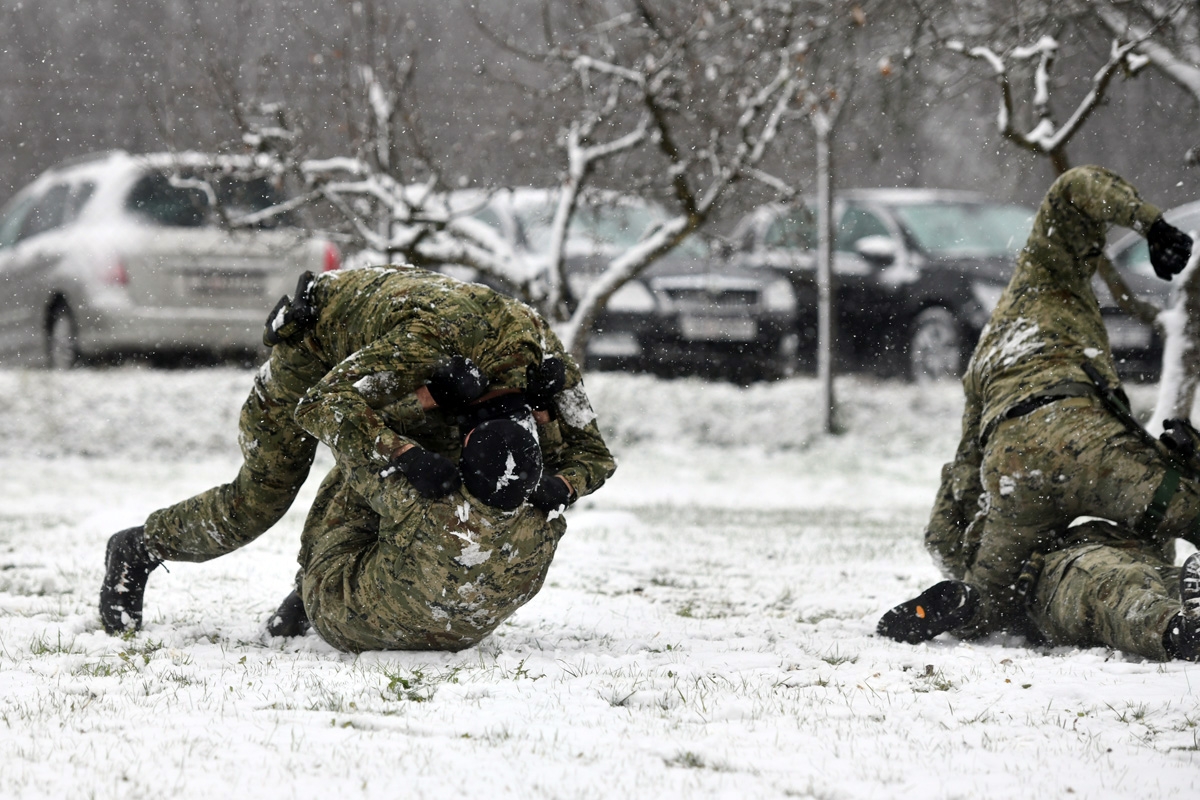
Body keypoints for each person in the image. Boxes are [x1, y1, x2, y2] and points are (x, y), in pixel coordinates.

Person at [99, 265, 616, 652]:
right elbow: (323, 404)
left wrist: (564, 484)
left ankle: (312, 590)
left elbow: (597, 454)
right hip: (317, 358)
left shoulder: (550, 366)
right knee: (260, 501)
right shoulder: (427, 346)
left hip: (412, 374)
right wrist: (407, 447)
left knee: (407, 469)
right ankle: (139, 549)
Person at [876, 165, 1200, 656]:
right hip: (1082, 435)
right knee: (1188, 510)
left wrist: (959, 544)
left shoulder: (983, 361)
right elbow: (1076, 187)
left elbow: (966, 466)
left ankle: (971, 606)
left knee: (994, 603)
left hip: (1014, 464)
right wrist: (1150, 223)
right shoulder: (1046, 275)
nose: (1092, 257)